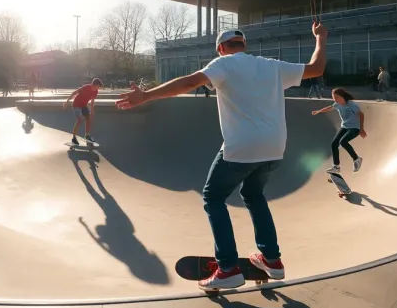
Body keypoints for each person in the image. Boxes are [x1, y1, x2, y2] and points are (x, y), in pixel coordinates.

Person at [116, 21, 328, 291]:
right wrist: (320, 38)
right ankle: (272, 260)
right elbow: (317, 69)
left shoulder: (223, 64)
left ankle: (227, 268)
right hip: (275, 148)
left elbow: (190, 82)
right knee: (254, 195)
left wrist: (145, 96)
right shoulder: (271, 66)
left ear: (220, 49)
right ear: (244, 46)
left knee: (213, 196)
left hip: (242, 148)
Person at [311, 87, 366, 174]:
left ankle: (357, 159)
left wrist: (361, 128)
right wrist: (319, 111)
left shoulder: (352, 105)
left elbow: (361, 114)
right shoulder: (337, 104)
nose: (335, 100)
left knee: (343, 142)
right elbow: (329, 108)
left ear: (342, 96)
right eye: (333, 98)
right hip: (345, 127)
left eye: (336, 97)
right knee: (334, 143)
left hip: (355, 128)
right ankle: (336, 166)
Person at [64, 78, 103, 144]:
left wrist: (92, 110)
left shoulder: (96, 91)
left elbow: (92, 101)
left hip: (84, 105)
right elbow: (75, 92)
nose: (99, 88)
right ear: (95, 85)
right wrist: (67, 102)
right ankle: (74, 138)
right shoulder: (86, 87)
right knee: (80, 120)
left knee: (89, 118)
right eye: (98, 86)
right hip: (76, 105)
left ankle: (87, 135)